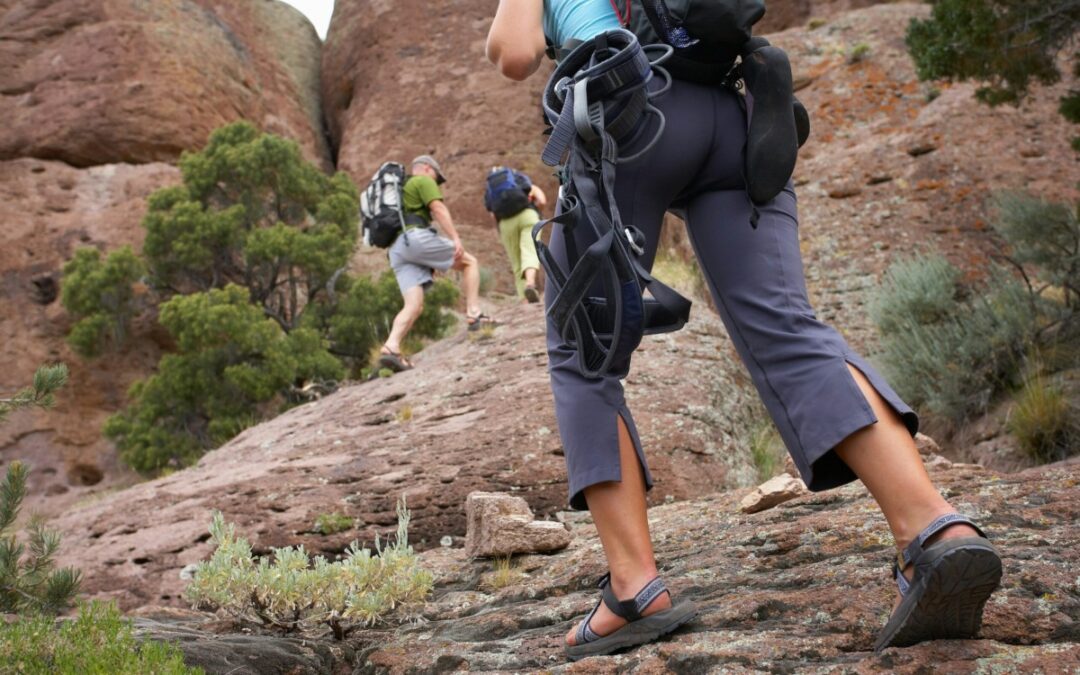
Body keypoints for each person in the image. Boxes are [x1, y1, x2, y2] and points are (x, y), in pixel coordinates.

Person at [486, 0, 1002, 661]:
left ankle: (634, 586)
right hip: (739, 114)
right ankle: (934, 530)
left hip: (628, 118)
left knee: (584, 353)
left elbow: (514, 51)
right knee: (788, 324)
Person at [379, 155, 495, 372]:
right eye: (436, 176)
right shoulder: (422, 180)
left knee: (414, 305)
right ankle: (475, 314)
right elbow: (438, 208)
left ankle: (391, 346)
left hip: (397, 249)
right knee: (470, 262)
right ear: (425, 168)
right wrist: (455, 238)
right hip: (414, 238)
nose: (437, 182)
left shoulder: (401, 191)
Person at [484, 166, 548, 302]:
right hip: (527, 215)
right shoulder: (519, 181)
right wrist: (537, 212)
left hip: (506, 224)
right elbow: (542, 200)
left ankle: (523, 299)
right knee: (529, 250)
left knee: (516, 262)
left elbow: (492, 215)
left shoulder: (491, 191)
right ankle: (530, 283)